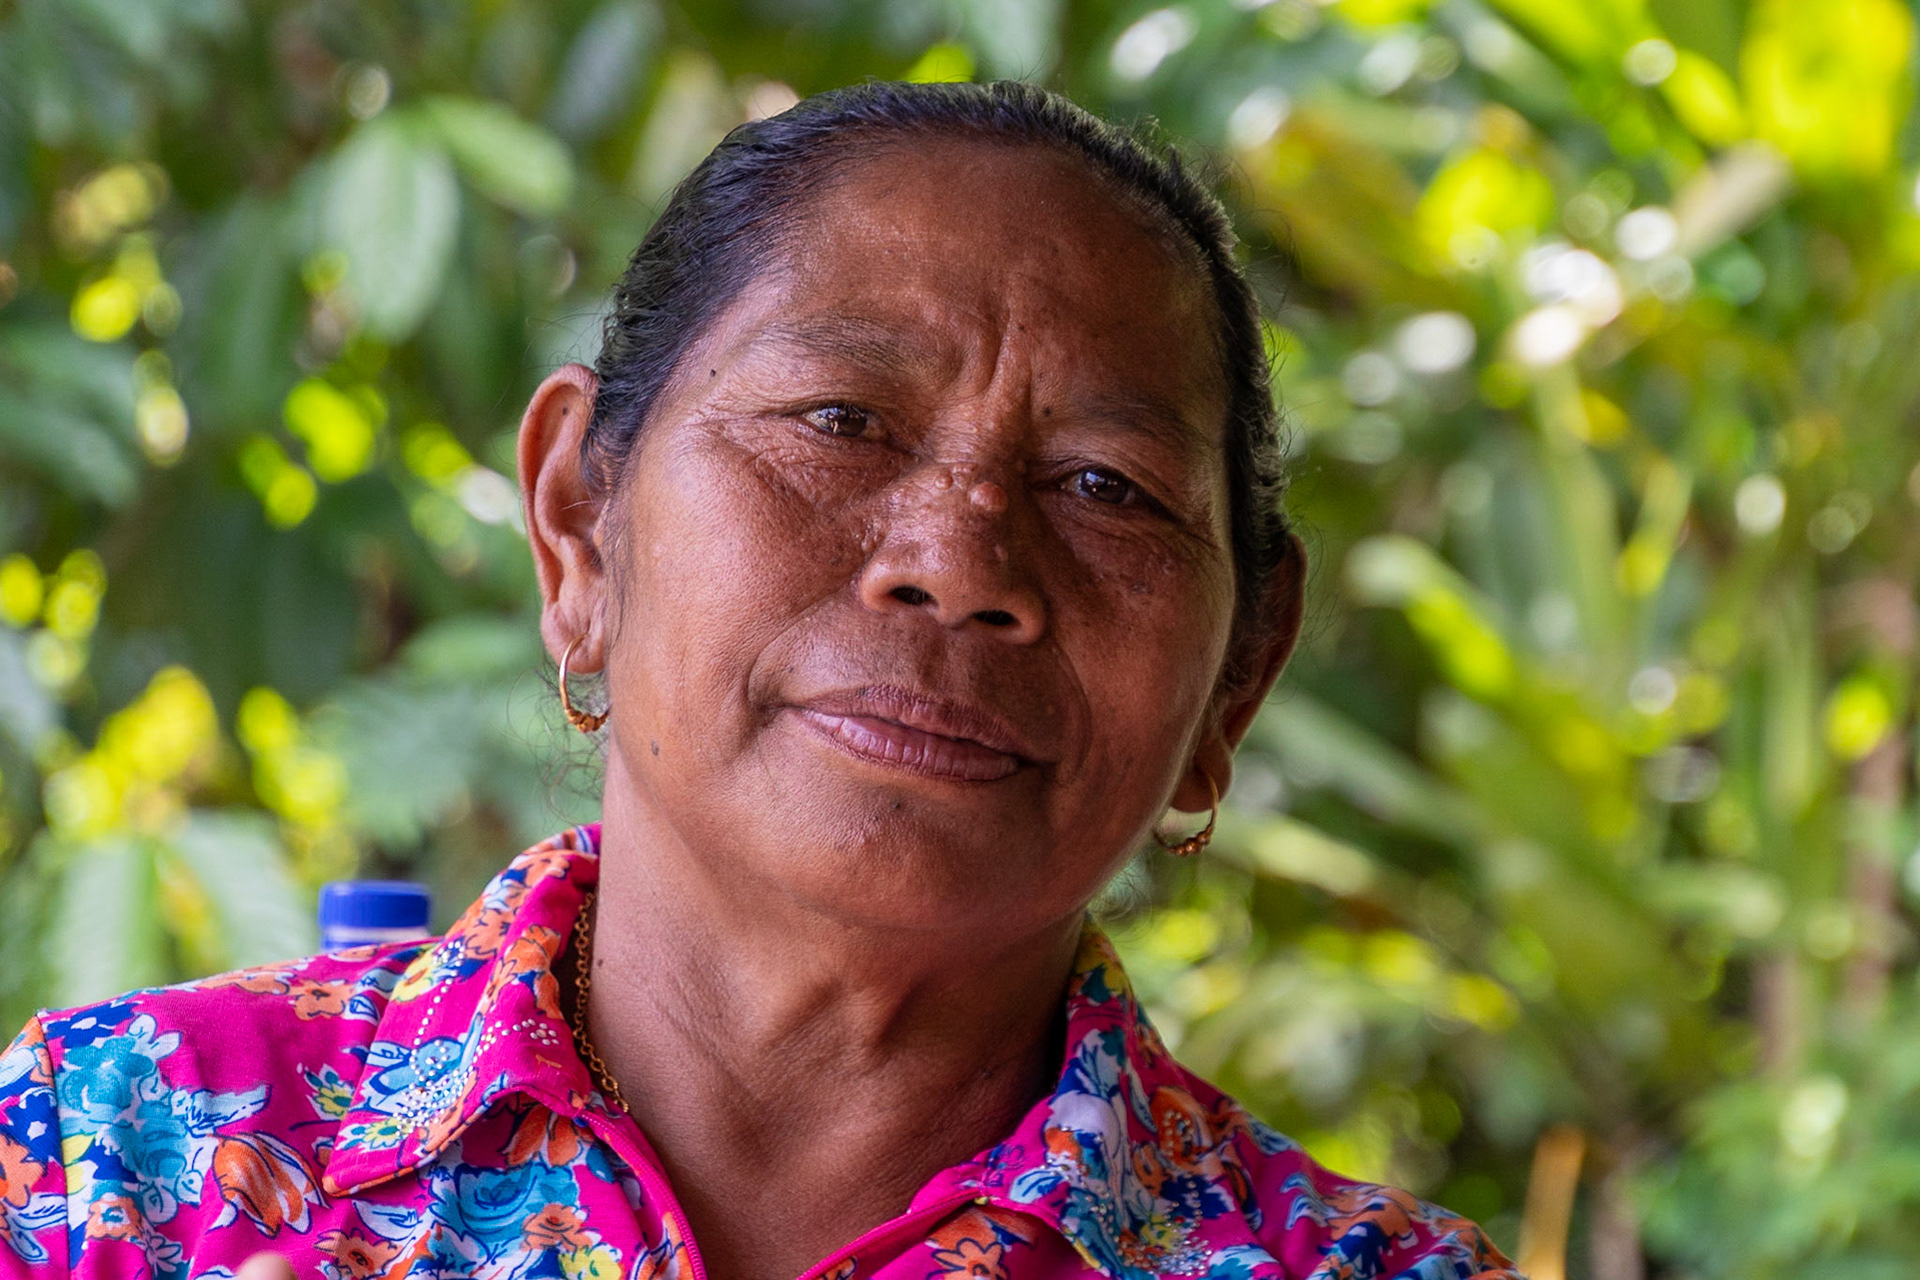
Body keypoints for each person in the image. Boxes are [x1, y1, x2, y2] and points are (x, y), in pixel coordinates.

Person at [0, 81, 1520, 1280]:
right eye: (841, 420)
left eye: (1106, 488)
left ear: (1238, 678)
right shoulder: (114, 1162)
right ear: (579, 523)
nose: (959, 563)